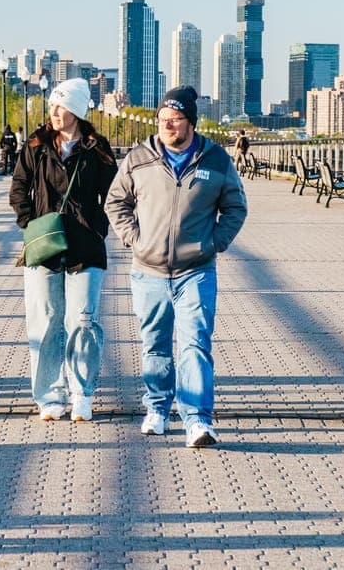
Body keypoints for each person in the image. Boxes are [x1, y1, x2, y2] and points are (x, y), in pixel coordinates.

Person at [104, 85, 247, 448]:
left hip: (195, 270)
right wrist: (134, 239)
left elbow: (235, 207)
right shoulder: (139, 158)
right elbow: (115, 202)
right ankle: (156, 408)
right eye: (162, 120)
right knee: (154, 344)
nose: (167, 126)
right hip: (148, 269)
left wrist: (214, 242)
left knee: (194, 344)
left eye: (175, 119)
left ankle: (197, 420)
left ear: (190, 123)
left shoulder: (215, 160)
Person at [9, 78, 118, 422]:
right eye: (53, 106)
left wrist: (97, 228)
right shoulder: (36, 145)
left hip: (86, 247)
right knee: (45, 321)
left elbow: (114, 196)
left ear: (78, 110)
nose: (55, 112)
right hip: (44, 246)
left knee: (82, 321)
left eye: (62, 106)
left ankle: (81, 392)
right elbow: (18, 189)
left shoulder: (96, 148)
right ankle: (49, 395)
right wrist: (30, 224)